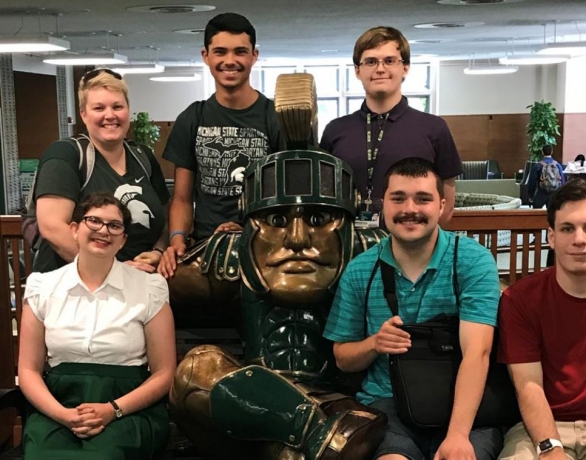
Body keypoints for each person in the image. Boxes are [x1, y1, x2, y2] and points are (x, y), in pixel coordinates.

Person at [169, 151, 387, 459]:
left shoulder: (371, 251)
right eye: (276, 220)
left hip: (338, 400)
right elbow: (158, 288)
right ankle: (312, 435)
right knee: (197, 368)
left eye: (318, 219)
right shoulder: (229, 253)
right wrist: (155, 260)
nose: (297, 238)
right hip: (252, 402)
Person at [324, 157, 503, 460]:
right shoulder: (359, 271)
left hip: (465, 405)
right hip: (388, 403)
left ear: (442, 205)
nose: (410, 209)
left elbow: (478, 352)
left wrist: (458, 435)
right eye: (398, 198)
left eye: (423, 199)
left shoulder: (473, 261)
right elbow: (343, 358)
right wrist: (375, 344)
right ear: (384, 205)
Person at [18, 193, 176, 460]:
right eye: (94, 221)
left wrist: (111, 409)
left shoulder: (149, 288)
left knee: (106, 456)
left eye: (114, 226)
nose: (104, 231)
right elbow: (28, 370)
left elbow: (164, 373)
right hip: (58, 405)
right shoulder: (42, 287)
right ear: (74, 228)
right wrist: (64, 416)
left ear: (123, 239)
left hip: (128, 407)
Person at [497, 179, 586, 460]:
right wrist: (551, 450)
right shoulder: (520, 300)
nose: (579, 239)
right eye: (567, 228)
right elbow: (529, 384)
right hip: (538, 428)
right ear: (551, 237)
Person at [159, 12, 283, 278]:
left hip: (266, 250)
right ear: (206, 56)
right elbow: (181, 197)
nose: (230, 61)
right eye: (220, 52)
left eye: (240, 52)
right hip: (206, 248)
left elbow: (288, 198)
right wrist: (177, 239)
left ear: (254, 56)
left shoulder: (275, 117)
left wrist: (252, 229)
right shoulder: (193, 117)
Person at [32, 69, 170, 274]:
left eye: (117, 106)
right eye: (99, 108)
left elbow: (164, 217)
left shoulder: (143, 157)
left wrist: (159, 251)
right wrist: (114, 272)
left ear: (127, 110)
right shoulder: (65, 155)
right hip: (76, 291)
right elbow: (52, 227)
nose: (110, 115)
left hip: (138, 288)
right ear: (84, 114)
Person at [320, 26, 462, 224]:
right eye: (370, 61)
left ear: (405, 68)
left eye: (389, 61)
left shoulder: (434, 128)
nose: (380, 69)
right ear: (357, 71)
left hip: (412, 248)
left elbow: (445, 208)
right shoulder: (335, 130)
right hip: (347, 246)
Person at [528, 145, 565, 209]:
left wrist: (531, 196)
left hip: (542, 192)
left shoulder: (538, 166)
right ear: (552, 152)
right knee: (552, 214)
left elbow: (532, 182)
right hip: (554, 194)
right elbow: (562, 181)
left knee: (535, 212)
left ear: (542, 152)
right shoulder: (557, 165)